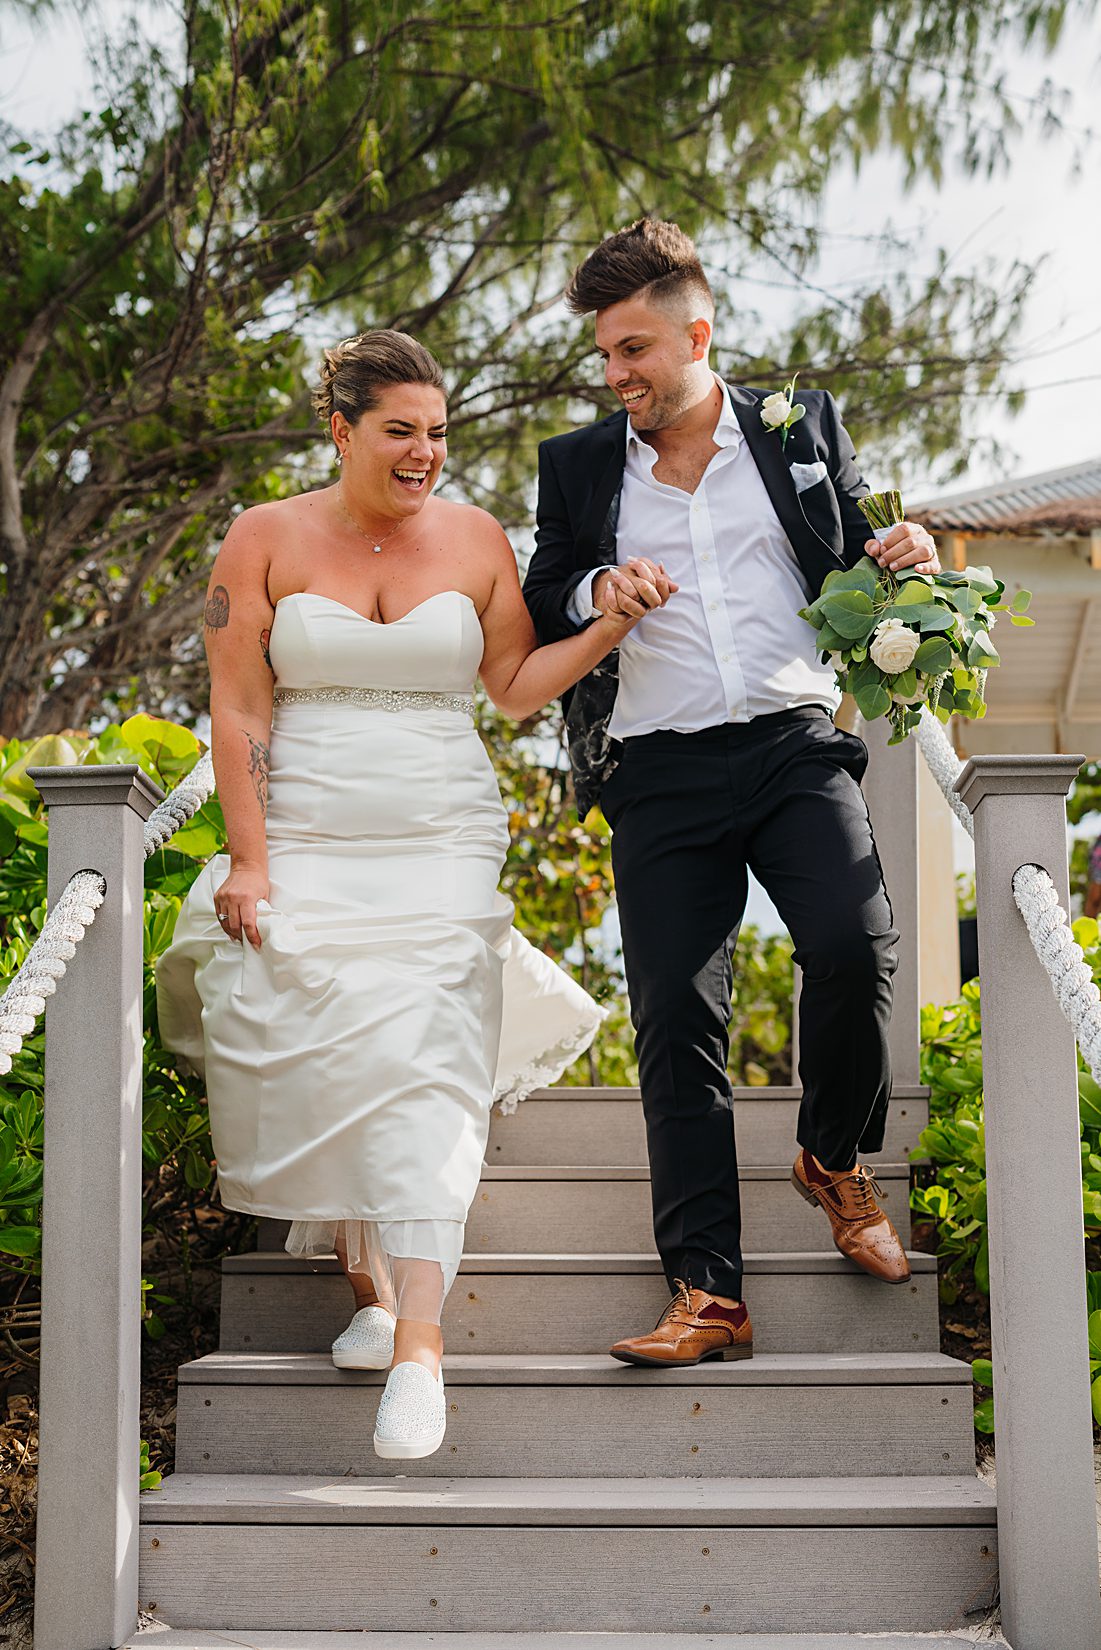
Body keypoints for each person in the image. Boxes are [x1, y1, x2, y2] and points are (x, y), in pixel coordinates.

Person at [156, 328, 675, 1456]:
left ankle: (422, 1351)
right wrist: (249, 860)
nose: (424, 454)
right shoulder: (260, 539)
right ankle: (371, 1296)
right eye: (400, 431)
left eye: (437, 433)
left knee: (432, 1054)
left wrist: (608, 627)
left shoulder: (478, 538)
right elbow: (240, 707)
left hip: (442, 830)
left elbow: (515, 687)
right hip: (307, 826)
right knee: (339, 1045)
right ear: (340, 429)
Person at [523, 219, 941, 1368]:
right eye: (606, 356)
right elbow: (546, 589)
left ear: (697, 332)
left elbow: (857, 549)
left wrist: (908, 552)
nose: (617, 375)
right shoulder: (576, 466)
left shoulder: (796, 425)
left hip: (793, 743)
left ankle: (831, 1159)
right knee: (676, 1021)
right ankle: (708, 1293)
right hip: (654, 766)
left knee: (858, 950)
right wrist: (602, 585)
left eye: (635, 349)